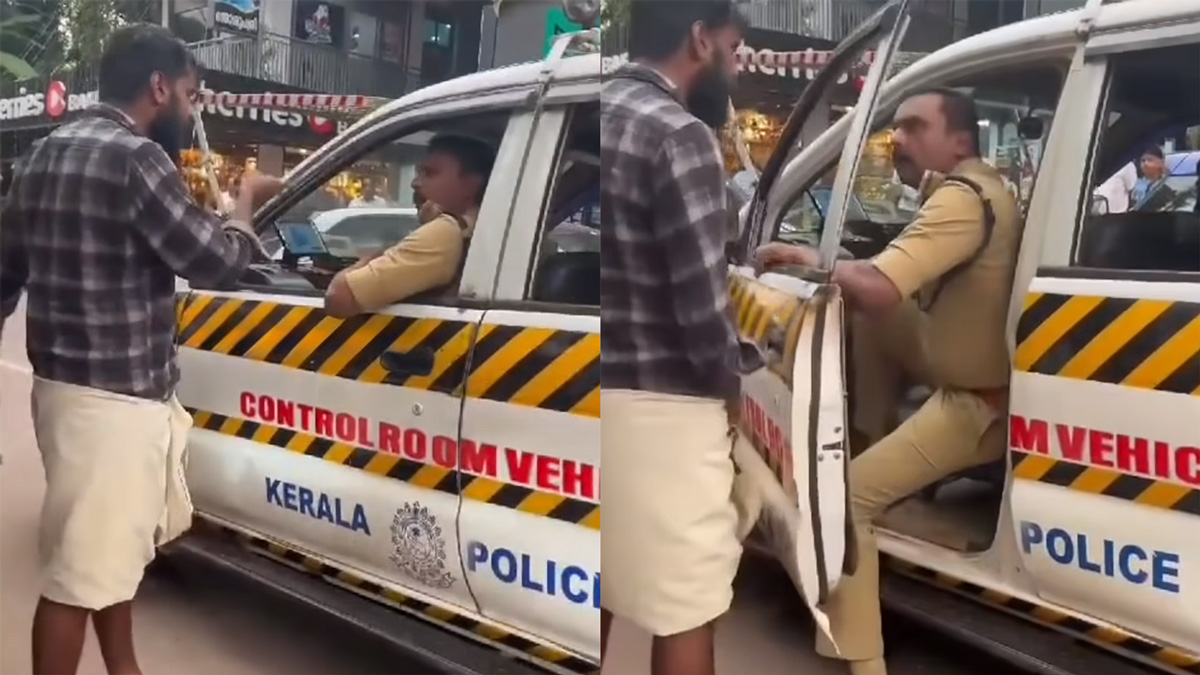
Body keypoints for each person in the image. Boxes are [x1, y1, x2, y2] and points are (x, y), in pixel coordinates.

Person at [0, 24, 284, 675]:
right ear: (159, 87)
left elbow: (3, 276)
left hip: (64, 398)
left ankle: (124, 667)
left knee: (106, 553)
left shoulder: (41, 155)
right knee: (77, 575)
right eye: (189, 93)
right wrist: (244, 205)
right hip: (116, 407)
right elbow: (214, 260)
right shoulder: (137, 159)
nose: (190, 108)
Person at [756, 88, 1020, 675]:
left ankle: (864, 661)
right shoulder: (983, 186)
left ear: (960, 140)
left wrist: (811, 261)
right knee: (874, 320)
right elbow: (882, 290)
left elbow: (878, 286)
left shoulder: (960, 200)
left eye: (915, 127)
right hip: (971, 373)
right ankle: (870, 448)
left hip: (975, 405)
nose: (898, 138)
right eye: (896, 127)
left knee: (842, 502)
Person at [599, 2, 747, 675]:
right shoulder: (679, 134)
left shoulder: (594, 111)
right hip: (663, 404)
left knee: (595, 580)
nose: (736, 68)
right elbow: (701, 306)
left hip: (580, 383)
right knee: (688, 600)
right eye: (733, 50)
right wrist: (735, 392)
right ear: (700, 39)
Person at [323, 134, 493, 316]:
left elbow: (338, 298)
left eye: (430, 173)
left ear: (472, 184)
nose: (415, 183)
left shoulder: (445, 231)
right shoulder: (483, 226)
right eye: (418, 173)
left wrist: (366, 261)